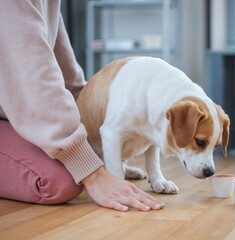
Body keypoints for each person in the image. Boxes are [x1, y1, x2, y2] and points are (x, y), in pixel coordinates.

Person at [0, 0, 164, 212]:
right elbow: (34, 79)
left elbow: (65, 71)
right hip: (13, 109)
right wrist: (93, 175)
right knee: (60, 180)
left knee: (88, 155)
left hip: (12, 111)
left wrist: (93, 106)